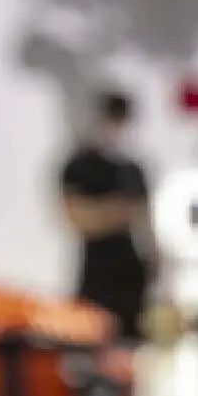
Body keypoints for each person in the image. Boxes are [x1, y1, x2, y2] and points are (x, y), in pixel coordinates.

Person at [59, 90, 158, 341]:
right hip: (96, 274)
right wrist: (114, 212)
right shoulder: (80, 166)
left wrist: (156, 261)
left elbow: (144, 222)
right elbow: (76, 217)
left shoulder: (133, 170)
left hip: (131, 276)